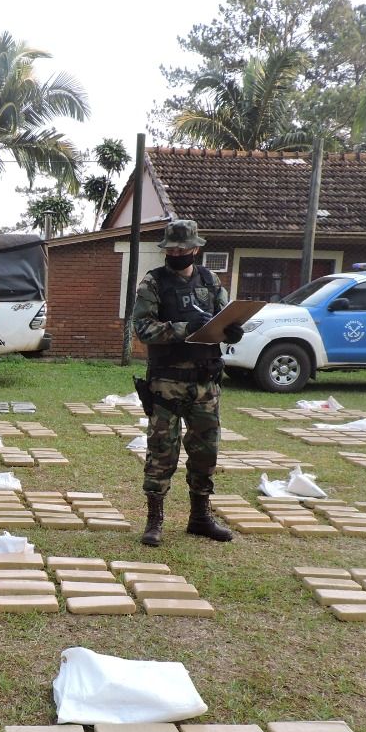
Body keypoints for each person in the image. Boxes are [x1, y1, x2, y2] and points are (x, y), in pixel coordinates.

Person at [132, 219, 244, 547]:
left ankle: (200, 517)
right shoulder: (153, 283)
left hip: (205, 384)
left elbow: (227, 317)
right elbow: (142, 328)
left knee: (205, 452)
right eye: (171, 249)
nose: (176, 253)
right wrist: (182, 328)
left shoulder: (211, 282)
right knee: (161, 452)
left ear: (196, 248)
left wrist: (233, 329)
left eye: (183, 248)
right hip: (167, 382)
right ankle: (154, 520)